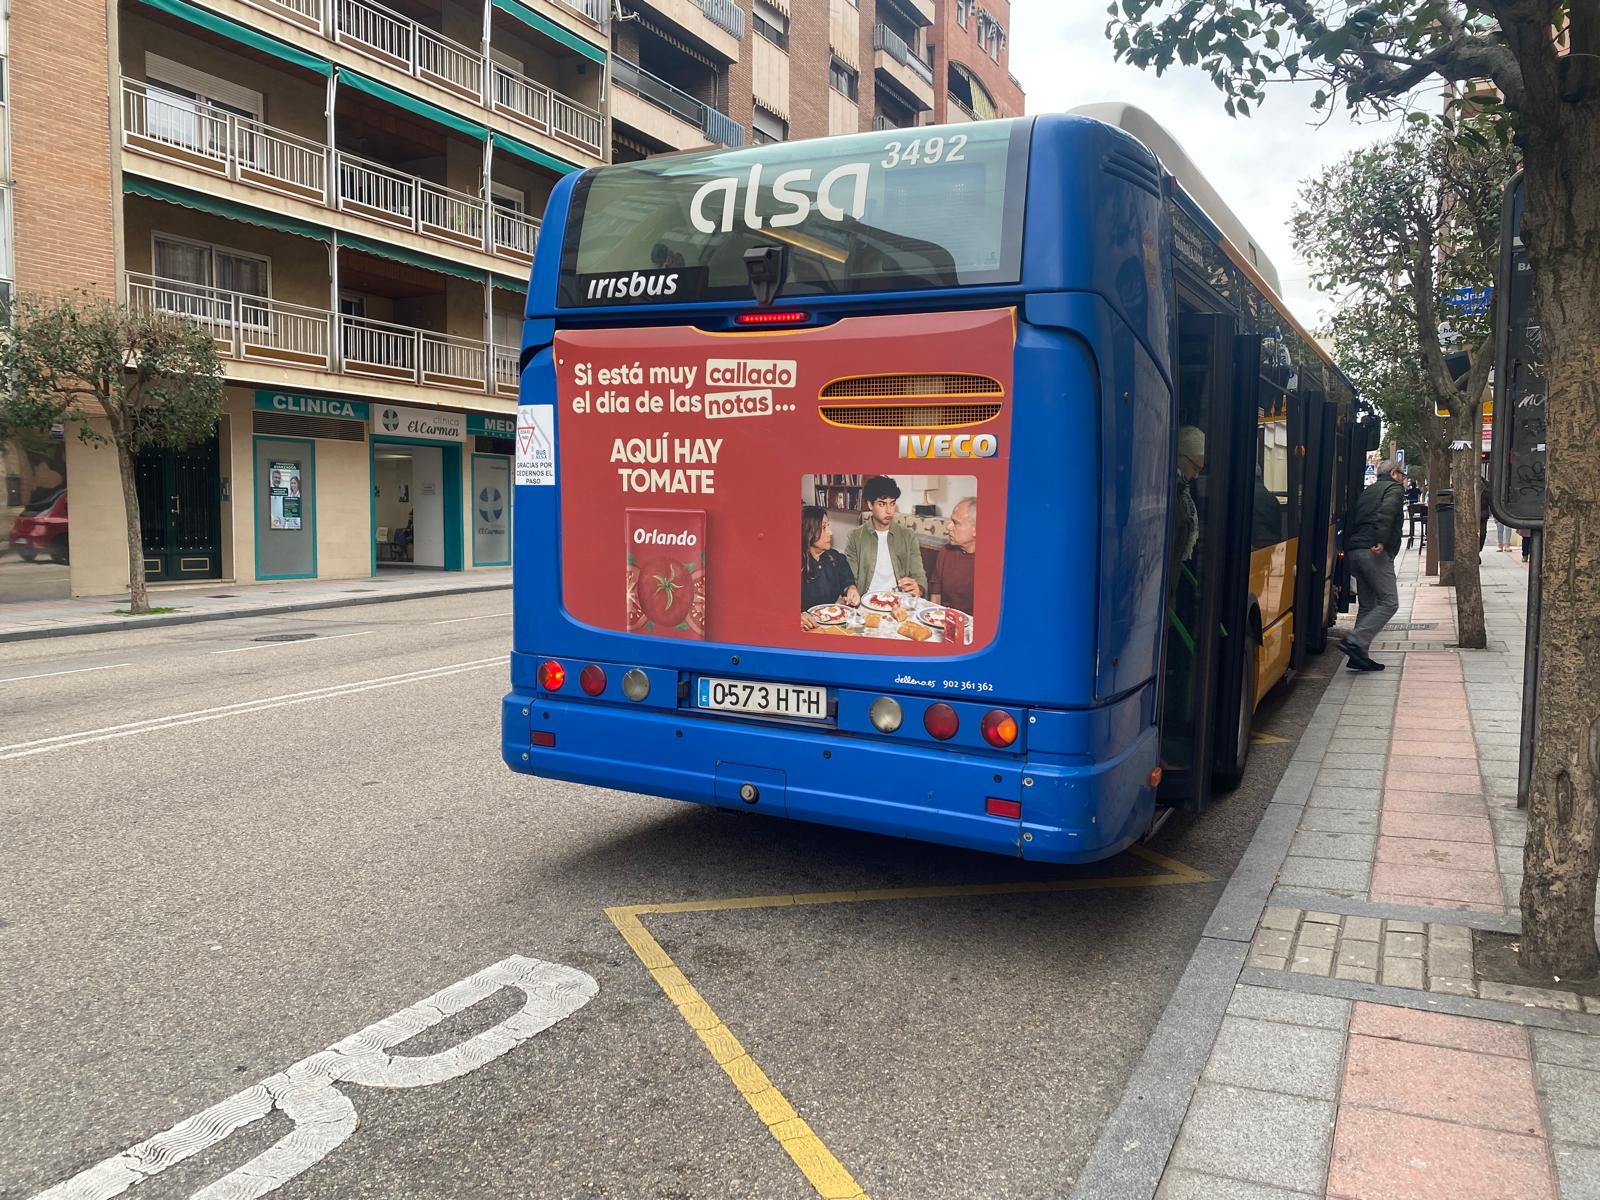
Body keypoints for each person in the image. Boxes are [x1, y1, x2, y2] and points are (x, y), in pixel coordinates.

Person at [1339, 459, 1405, 672]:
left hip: (1355, 551)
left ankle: (1358, 657)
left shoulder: (1369, 491)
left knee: (1367, 605)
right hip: (1373, 551)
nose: (1403, 479)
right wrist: (1382, 541)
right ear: (1394, 473)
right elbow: (1388, 513)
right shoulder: (1393, 489)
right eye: (1402, 474)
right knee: (1389, 602)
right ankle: (1355, 641)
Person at [844, 476, 928, 599]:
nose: (889, 511)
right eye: (882, 504)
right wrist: (851, 588)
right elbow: (849, 579)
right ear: (870, 505)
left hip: (899, 602)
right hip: (867, 602)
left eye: (892, 503)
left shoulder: (908, 536)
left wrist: (919, 589)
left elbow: (919, 575)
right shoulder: (855, 537)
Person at [800, 506, 859, 629]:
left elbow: (847, 580)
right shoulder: (794, 564)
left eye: (828, 526)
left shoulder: (835, 558)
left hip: (833, 625)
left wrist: (851, 589)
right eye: (823, 527)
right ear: (808, 531)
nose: (830, 532)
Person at [1168, 426, 1206, 598]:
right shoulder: (1171, 493)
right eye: (1196, 468)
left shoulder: (1181, 493)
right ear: (1181, 457)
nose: (1196, 476)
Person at [930, 497, 976, 614]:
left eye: (956, 523)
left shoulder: (992, 562)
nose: (948, 527)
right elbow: (935, 596)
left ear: (975, 530)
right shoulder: (945, 552)